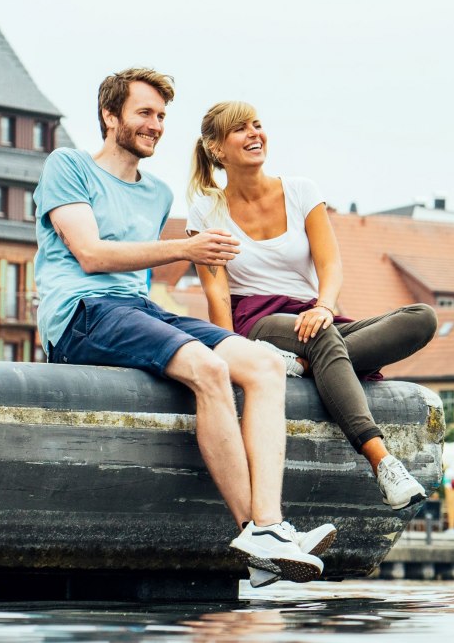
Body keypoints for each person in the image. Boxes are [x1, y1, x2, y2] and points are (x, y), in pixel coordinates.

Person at [34, 68, 327, 586]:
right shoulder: (69, 165)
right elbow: (92, 254)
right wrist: (186, 248)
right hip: (81, 313)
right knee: (208, 368)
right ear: (110, 116)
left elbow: (137, 283)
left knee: (261, 364)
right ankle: (253, 530)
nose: (155, 125)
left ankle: (272, 528)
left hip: (136, 309)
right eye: (144, 113)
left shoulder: (158, 193)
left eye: (162, 116)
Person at [186, 101, 437, 508]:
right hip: (259, 322)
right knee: (323, 338)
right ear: (216, 148)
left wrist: (323, 305)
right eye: (240, 129)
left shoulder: (302, 191)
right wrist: (236, 353)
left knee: (420, 318)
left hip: (316, 316)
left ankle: (301, 366)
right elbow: (216, 296)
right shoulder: (206, 211)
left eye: (258, 125)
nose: (254, 134)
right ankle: (383, 461)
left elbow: (330, 263)